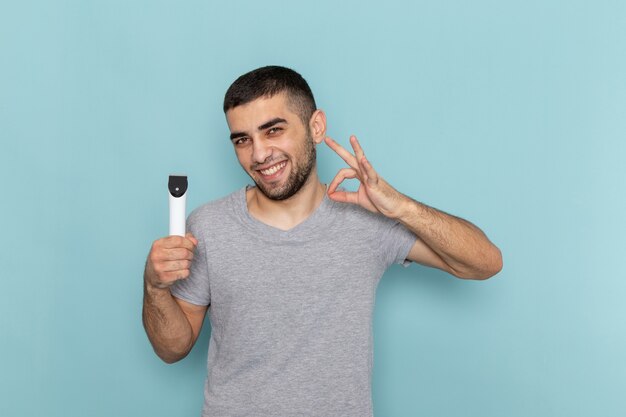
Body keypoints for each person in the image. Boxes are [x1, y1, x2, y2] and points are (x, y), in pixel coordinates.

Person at [142, 66, 502, 416]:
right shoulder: (208, 226)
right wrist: (155, 287)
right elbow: (173, 348)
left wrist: (401, 207)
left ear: (316, 127)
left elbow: (484, 262)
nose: (259, 154)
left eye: (273, 130)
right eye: (242, 140)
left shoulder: (366, 218)